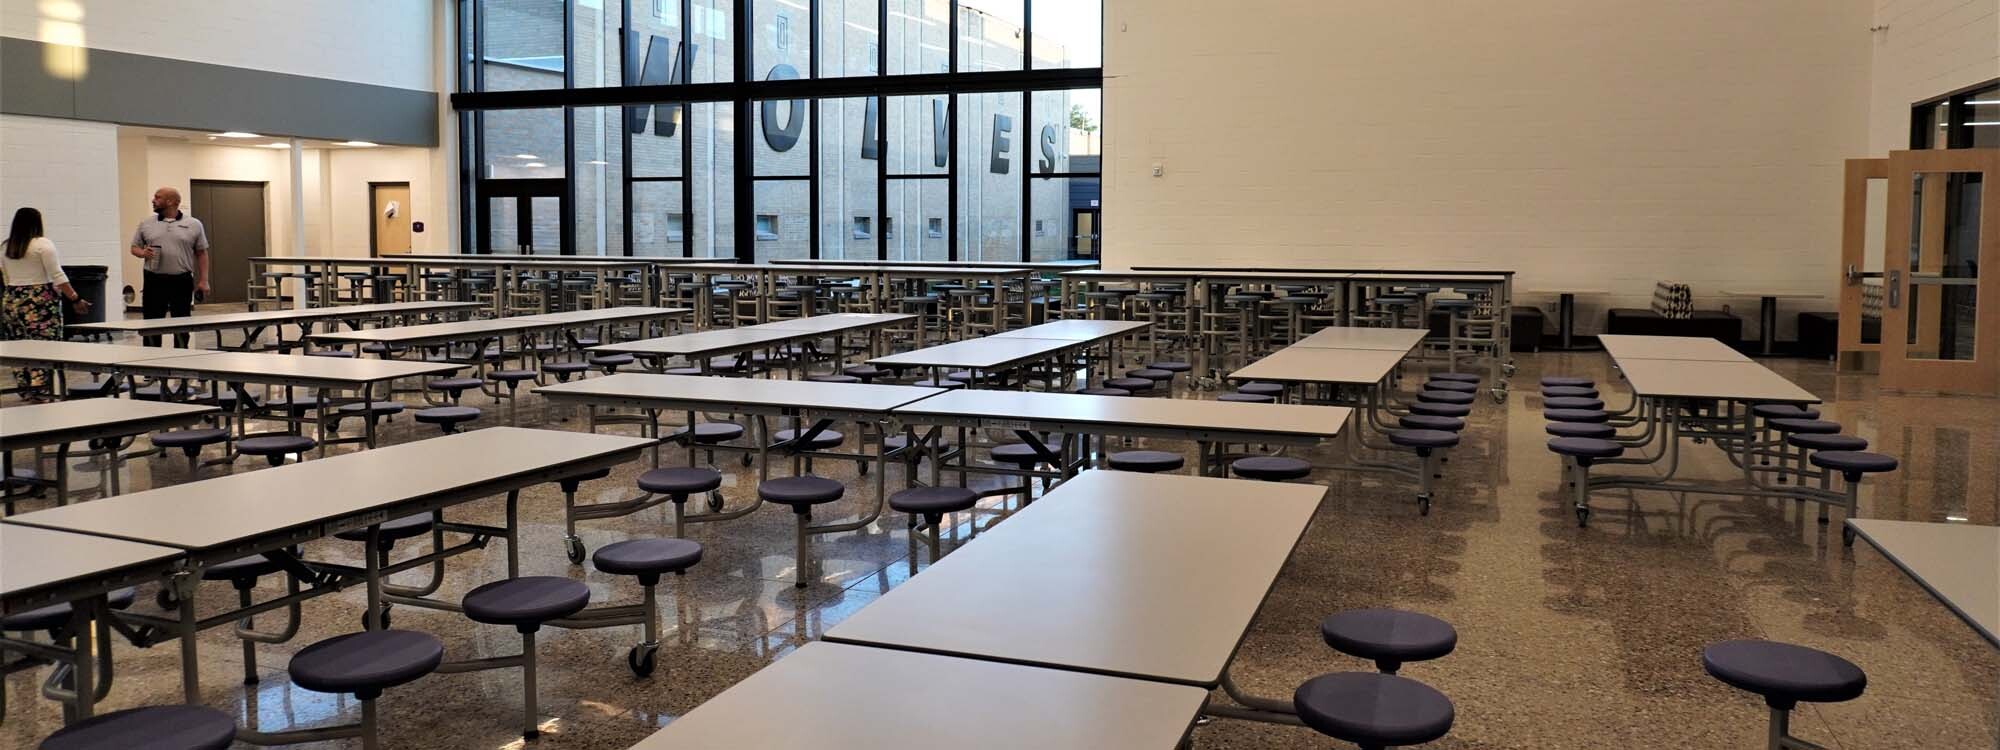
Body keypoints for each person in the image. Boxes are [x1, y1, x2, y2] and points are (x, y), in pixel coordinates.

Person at [2, 207, 90, 399]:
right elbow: (58, 275)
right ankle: (41, 388)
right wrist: (75, 298)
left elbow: (6, 276)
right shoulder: (43, 244)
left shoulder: (6, 246)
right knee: (43, 346)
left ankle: (24, 388)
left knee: (18, 347)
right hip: (39, 301)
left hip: (12, 299)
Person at [130, 187, 209, 346]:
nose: (153, 200)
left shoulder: (194, 224)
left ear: (171, 201)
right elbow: (134, 248)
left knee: (181, 323)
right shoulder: (146, 224)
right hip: (154, 280)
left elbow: (201, 253)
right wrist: (143, 253)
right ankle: (151, 359)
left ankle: (180, 356)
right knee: (151, 323)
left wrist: (204, 280)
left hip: (181, 280)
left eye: (157, 197)